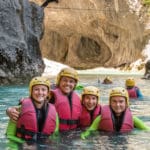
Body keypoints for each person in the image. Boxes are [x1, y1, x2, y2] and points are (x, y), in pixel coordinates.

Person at [6, 67, 82, 132]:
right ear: (59, 81)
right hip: (56, 133)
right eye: (65, 80)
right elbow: (31, 102)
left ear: (75, 84)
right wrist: (9, 110)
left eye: (71, 81)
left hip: (73, 133)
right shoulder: (51, 94)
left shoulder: (77, 98)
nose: (67, 84)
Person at [81, 87, 150, 139]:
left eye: (121, 101)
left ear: (126, 103)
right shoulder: (100, 118)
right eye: (114, 101)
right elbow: (90, 130)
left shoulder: (133, 119)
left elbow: (146, 129)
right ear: (110, 103)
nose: (117, 105)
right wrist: (83, 136)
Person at [6, 76, 59, 142]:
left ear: (48, 93)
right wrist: (22, 144)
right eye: (36, 89)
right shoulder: (18, 111)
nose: (40, 92)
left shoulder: (54, 113)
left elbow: (55, 134)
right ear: (31, 91)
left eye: (43, 90)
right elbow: (9, 135)